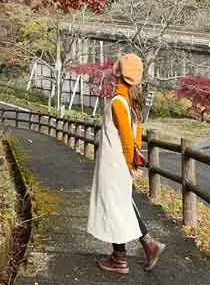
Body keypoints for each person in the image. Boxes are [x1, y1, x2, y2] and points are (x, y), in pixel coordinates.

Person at [87, 53, 166, 275]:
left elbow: (126, 140)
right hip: (119, 163)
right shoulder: (132, 102)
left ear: (119, 75)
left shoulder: (118, 101)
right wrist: (133, 163)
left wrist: (132, 164)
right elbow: (136, 135)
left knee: (114, 207)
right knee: (121, 205)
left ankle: (120, 259)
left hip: (114, 164)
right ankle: (149, 244)